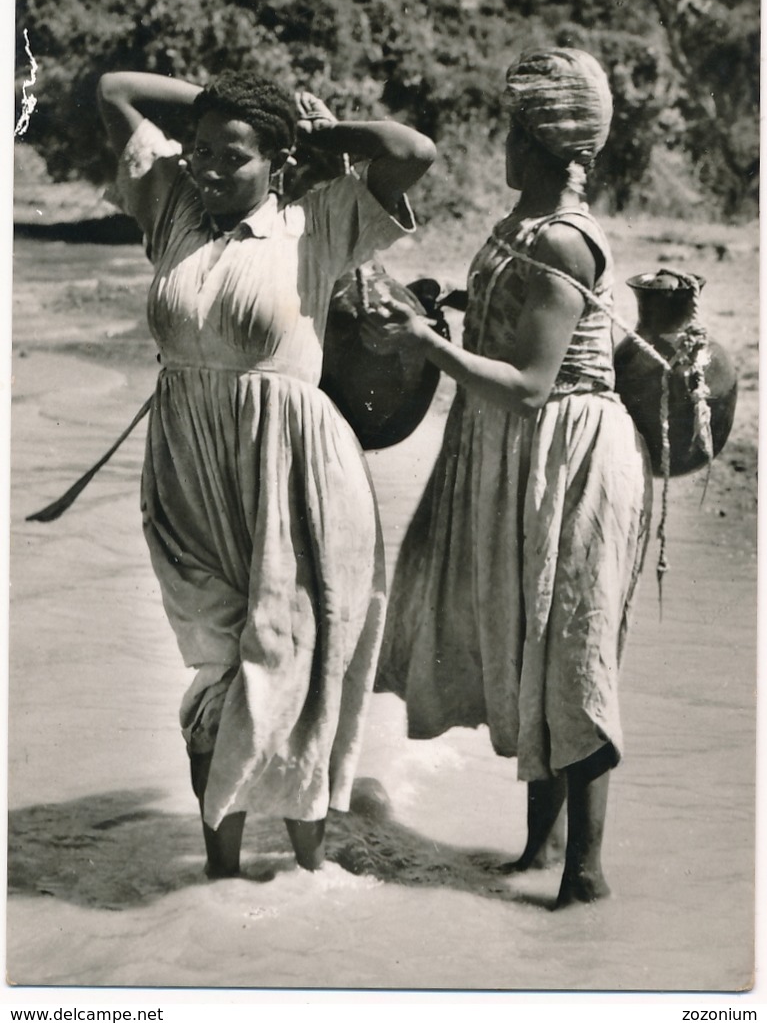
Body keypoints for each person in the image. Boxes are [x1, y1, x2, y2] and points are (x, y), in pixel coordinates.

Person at [97, 66, 435, 878]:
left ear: (279, 161)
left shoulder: (318, 222)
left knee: (293, 660)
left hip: (298, 474)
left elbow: (409, 151)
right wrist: (221, 108)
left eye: (233, 156)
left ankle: (309, 875)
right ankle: (218, 880)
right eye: (199, 149)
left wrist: (314, 133)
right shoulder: (172, 206)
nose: (208, 167)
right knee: (216, 668)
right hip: (186, 471)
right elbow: (114, 89)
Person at [370, 48, 652, 907]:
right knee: (535, 641)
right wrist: (453, 311)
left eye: (511, 129)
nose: (501, 142)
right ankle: (540, 847)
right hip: (525, 450)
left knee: (571, 649)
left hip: (568, 454)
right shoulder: (519, 225)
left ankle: (585, 874)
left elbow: (531, 384)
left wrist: (426, 348)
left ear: (537, 143)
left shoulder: (562, 238)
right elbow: (511, 330)